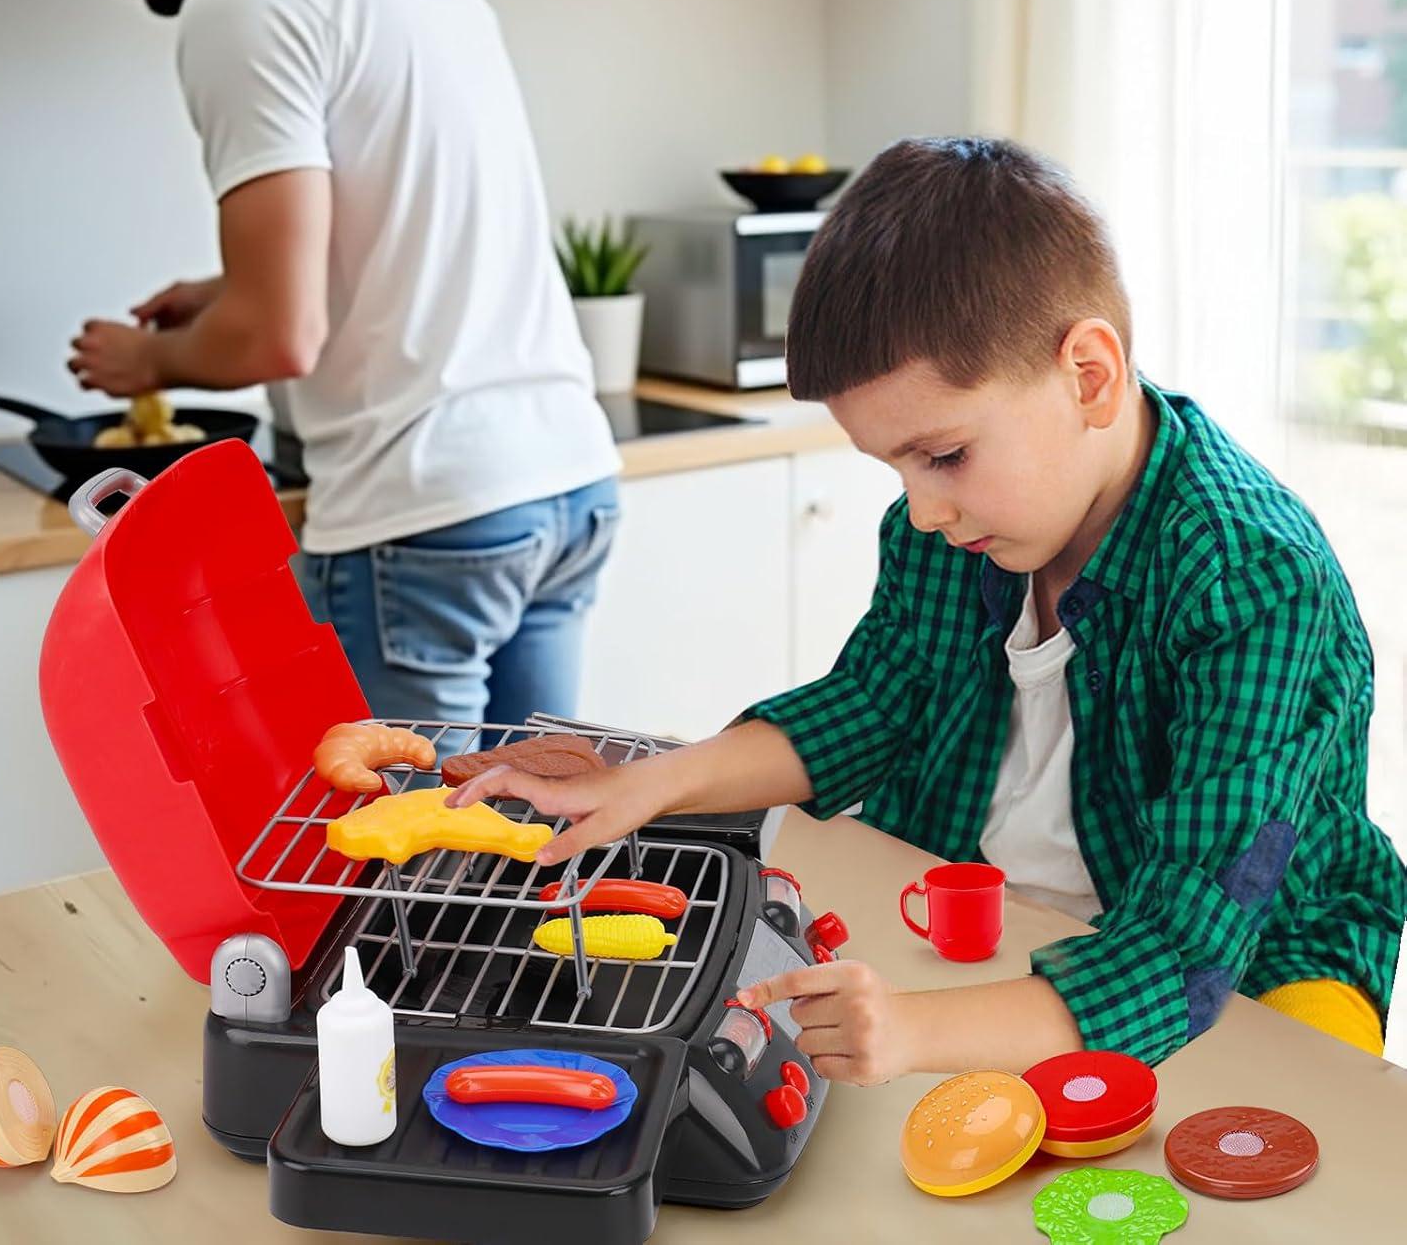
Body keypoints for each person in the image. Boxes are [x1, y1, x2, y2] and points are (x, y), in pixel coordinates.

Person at [448, 137, 1407, 1076]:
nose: (922, 508)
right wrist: (652, 779)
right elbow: (875, 702)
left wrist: (912, 1034)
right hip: (995, 917)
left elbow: (1184, 949)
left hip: (1246, 965)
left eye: (943, 454)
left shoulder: (1251, 579)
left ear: (1090, 377)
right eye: (895, 464)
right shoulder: (960, 520)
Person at [0, 0, 621, 737]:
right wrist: (222, 287)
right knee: (535, 842)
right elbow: (408, 218)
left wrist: (146, 357)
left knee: (419, 871)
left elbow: (276, 339)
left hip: (426, 514)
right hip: (564, 483)